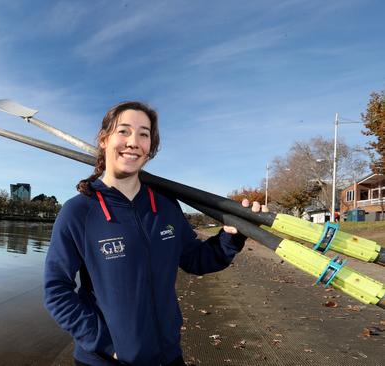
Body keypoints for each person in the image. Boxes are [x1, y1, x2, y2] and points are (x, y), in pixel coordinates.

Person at [43, 101, 264, 366]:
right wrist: (105, 345)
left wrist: (232, 235)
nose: (133, 141)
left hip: (167, 356)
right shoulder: (79, 212)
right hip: (106, 361)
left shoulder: (166, 206)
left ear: (150, 147)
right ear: (104, 140)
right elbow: (57, 290)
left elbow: (196, 259)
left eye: (144, 134)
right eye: (123, 131)